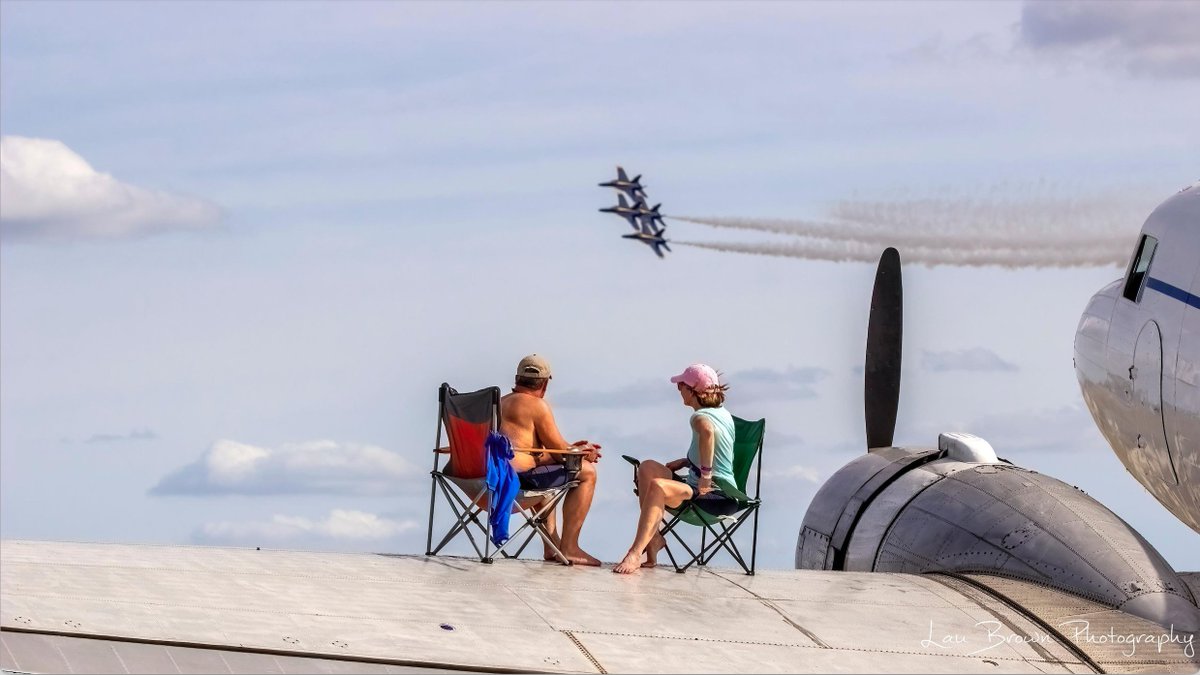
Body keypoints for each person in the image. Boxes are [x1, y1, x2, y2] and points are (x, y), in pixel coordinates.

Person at [614, 363, 736, 574]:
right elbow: (718, 451)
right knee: (647, 468)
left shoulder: (700, 417)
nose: (678, 389)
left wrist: (705, 477)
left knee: (658, 487)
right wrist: (686, 461)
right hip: (702, 485)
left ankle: (635, 553)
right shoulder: (722, 414)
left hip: (715, 495)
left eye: (682, 385)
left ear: (693, 390)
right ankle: (653, 540)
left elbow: (707, 433)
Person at [500, 354, 603, 567]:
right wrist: (584, 453)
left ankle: (551, 545)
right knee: (587, 471)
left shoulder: (498, 403)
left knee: (546, 473)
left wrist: (574, 449)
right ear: (545, 384)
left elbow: (526, 450)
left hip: (486, 480)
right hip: (519, 481)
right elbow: (560, 454)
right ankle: (570, 547)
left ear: (517, 379)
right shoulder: (537, 405)